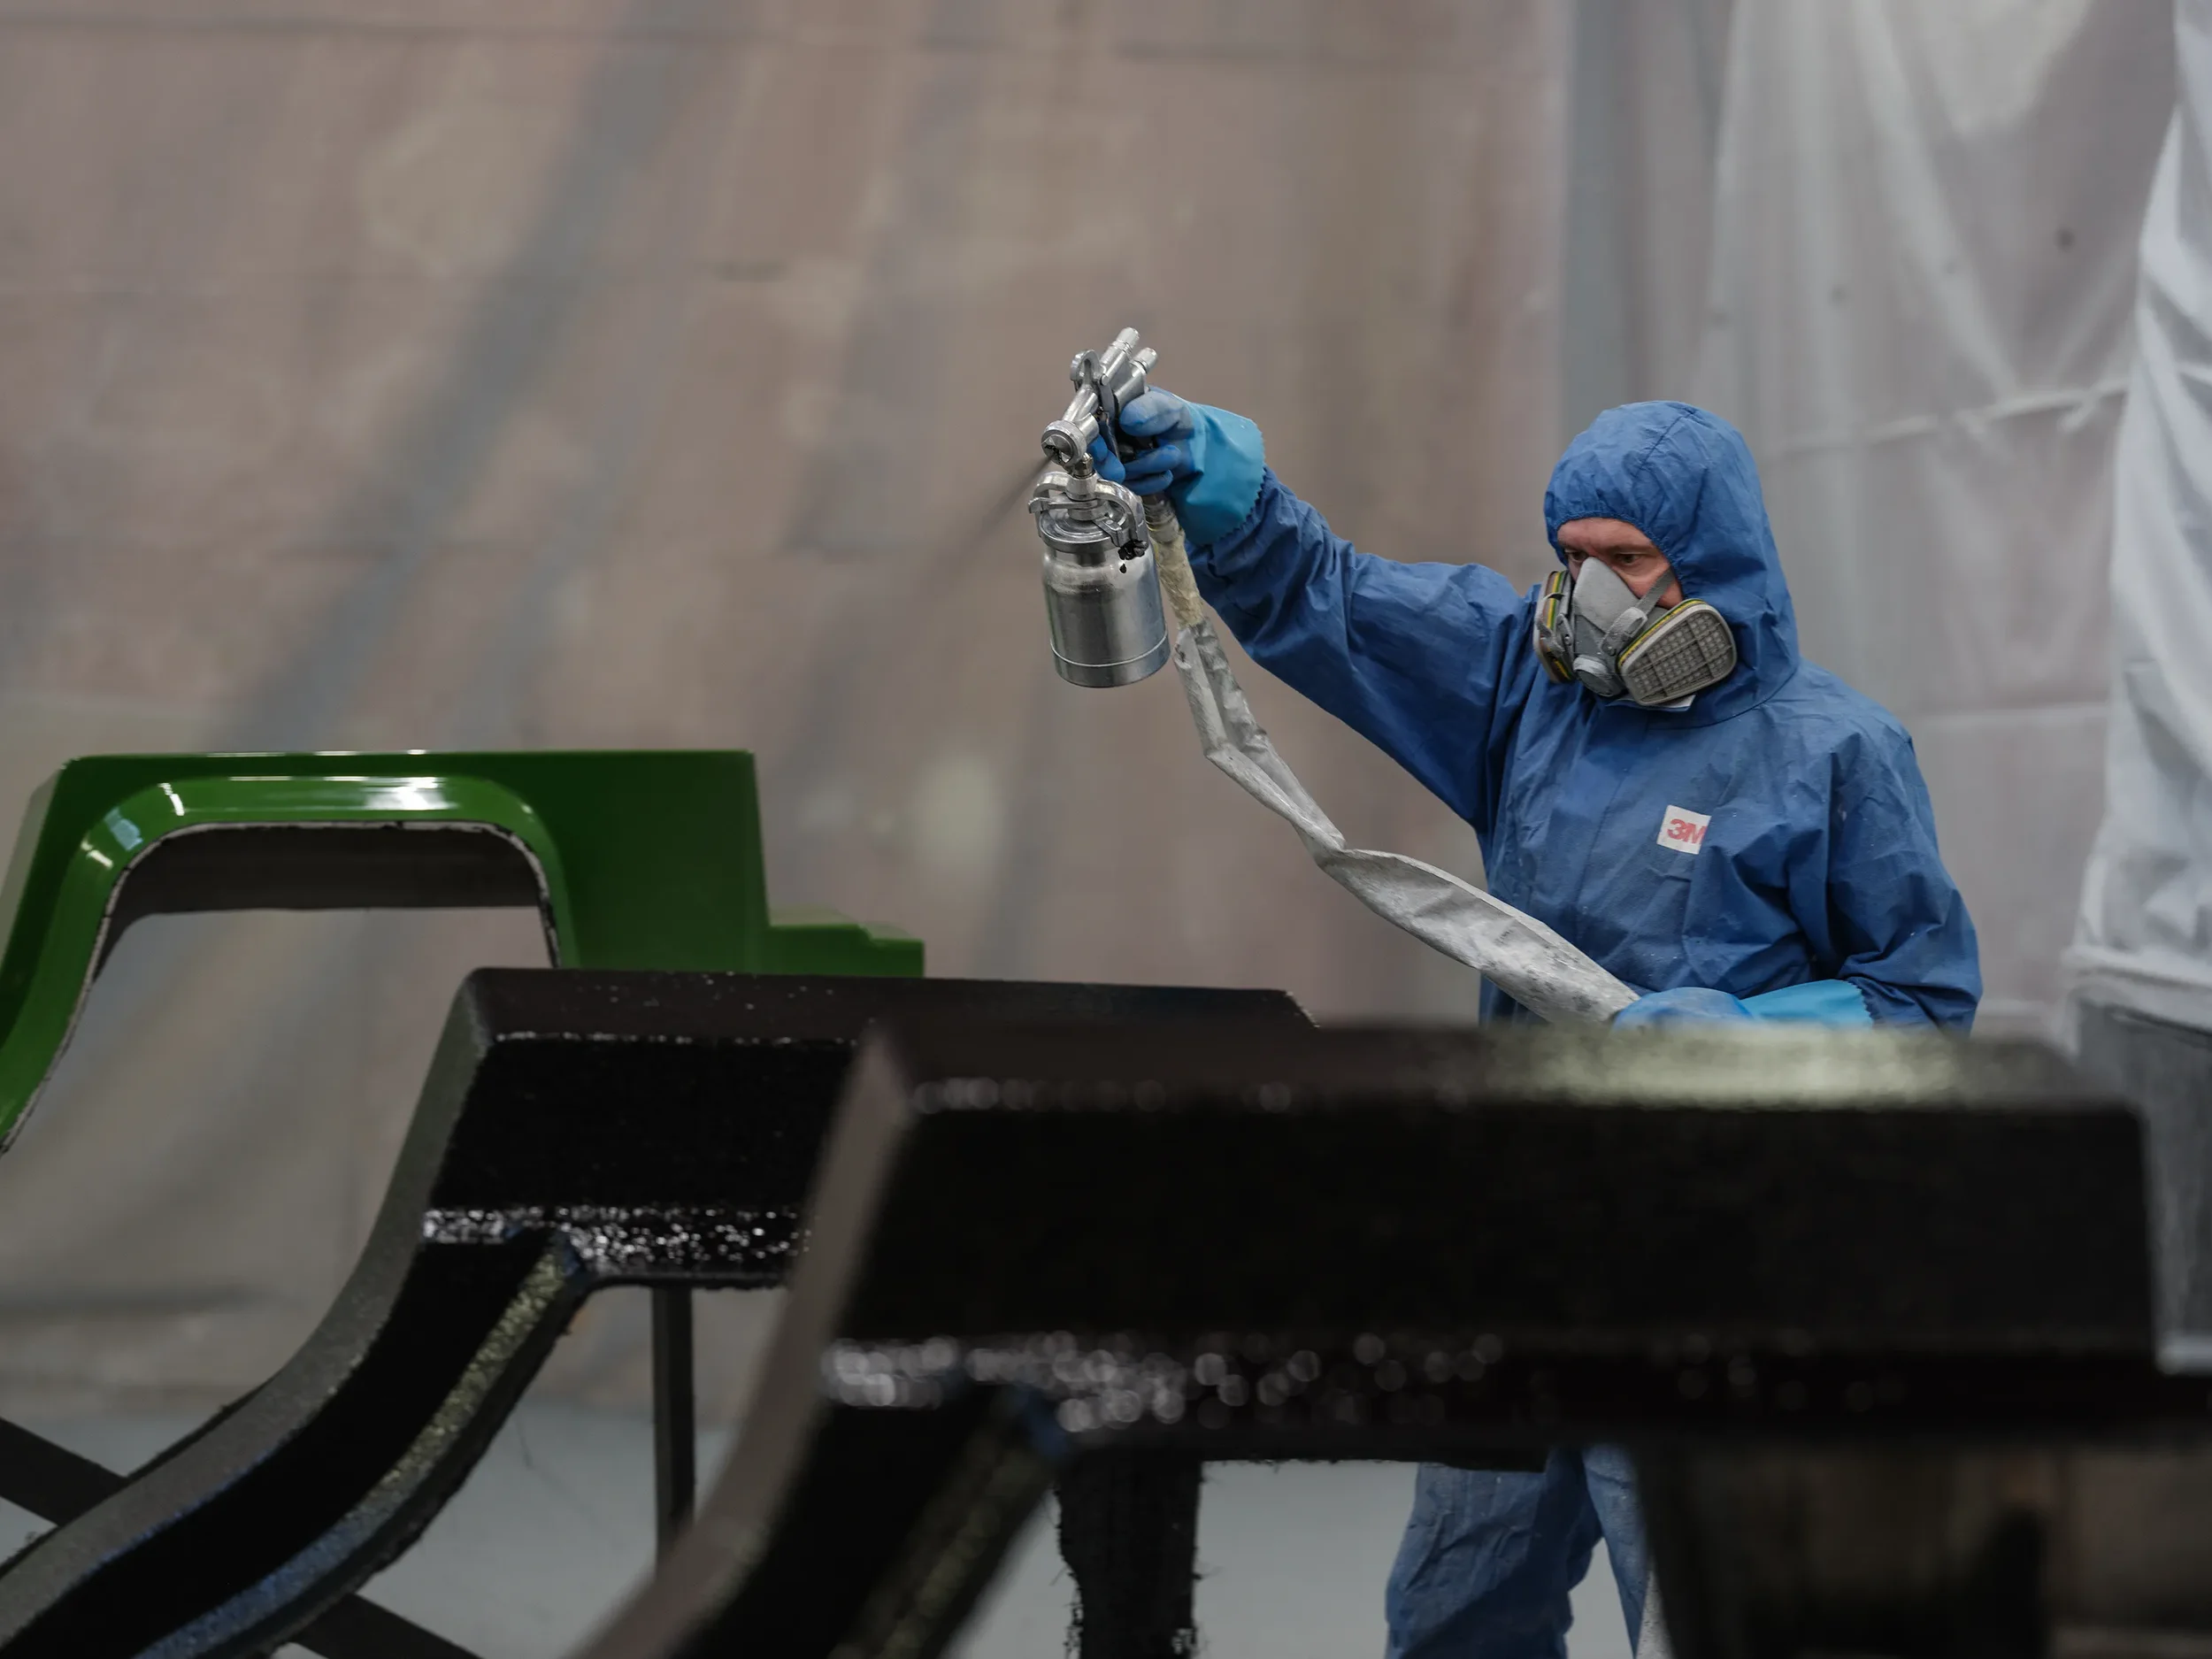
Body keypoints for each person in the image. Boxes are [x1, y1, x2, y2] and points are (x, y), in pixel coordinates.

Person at [1089, 394, 1981, 1656]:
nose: (1591, 594)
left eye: (1626, 559)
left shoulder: (1836, 755)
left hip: (1708, 1264)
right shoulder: (1530, 688)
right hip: (1526, 1235)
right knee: (1459, 1600)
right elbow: (1339, 603)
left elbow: (1922, 1002)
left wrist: (1742, 1037)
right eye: (1571, 557)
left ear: (1713, 559)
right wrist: (1227, 499)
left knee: (1705, 1603)